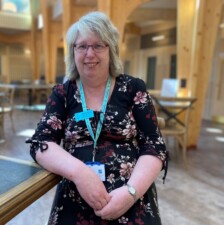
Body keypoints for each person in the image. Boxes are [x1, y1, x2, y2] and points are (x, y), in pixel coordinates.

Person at [26, 11, 168, 224]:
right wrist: (80, 173)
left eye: (98, 46)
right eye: (82, 46)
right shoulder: (63, 93)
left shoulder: (133, 88)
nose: (89, 53)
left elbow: (154, 146)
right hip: (76, 195)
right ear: (73, 52)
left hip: (131, 196)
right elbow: (41, 143)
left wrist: (130, 193)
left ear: (111, 50)